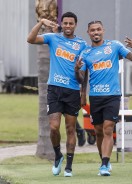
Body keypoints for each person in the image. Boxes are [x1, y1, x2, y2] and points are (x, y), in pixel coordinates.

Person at [27, 12, 87, 177]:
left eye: (71, 23)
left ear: (75, 25)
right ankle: (57, 155)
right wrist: (41, 22)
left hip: (72, 91)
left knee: (70, 129)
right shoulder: (53, 38)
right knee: (53, 127)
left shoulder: (82, 44)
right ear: (62, 24)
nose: (68, 26)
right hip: (54, 88)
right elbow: (30, 39)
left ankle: (68, 166)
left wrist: (77, 72)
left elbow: (82, 77)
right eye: (65, 23)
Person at [75, 20, 132, 176]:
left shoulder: (114, 46)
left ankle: (103, 165)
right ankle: (105, 160)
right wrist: (77, 70)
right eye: (92, 30)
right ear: (88, 32)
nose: (96, 32)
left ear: (103, 30)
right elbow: (81, 79)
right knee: (98, 132)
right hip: (95, 97)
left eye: (98, 29)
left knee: (108, 128)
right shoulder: (86, 53)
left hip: (113, 95)